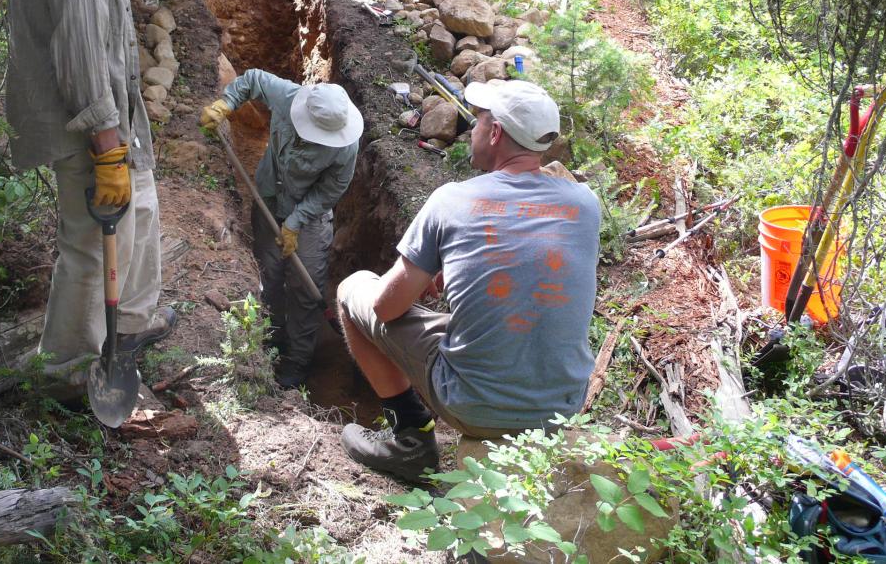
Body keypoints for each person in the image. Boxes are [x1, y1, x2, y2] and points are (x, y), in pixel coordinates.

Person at [335, 80, 600, 481]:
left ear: (495, 133)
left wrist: (420, 270)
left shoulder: (452, 201)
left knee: (353, 289)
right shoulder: (585, 203)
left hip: (476, 406)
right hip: (561, 406)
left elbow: (385, 308)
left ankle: (411, 438)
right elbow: (533, 261)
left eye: (477, 120)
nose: (470, 130)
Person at [4, 0, 180, 409]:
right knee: (91, 244)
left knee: (141, 217)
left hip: (110, 115)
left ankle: (130, 326)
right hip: (86, 120)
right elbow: (79, 51)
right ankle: (73, 369)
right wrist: (106, 146)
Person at [200, 70, 362, 388]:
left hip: (310, 216)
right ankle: (271, 344)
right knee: (269, 276)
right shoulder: (288, 97)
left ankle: (297, 363)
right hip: (267, 202)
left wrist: (296, 222)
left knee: (304, 287)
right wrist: (227, 103)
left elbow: (330, 191)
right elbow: (252, 79)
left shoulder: (345, 146)